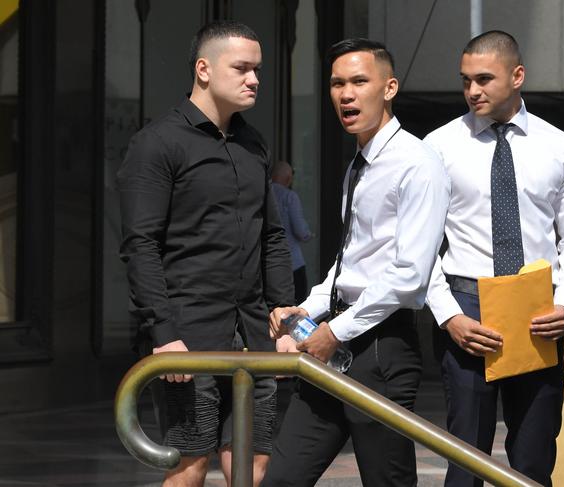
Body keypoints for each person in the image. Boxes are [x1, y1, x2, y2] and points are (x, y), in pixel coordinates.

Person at [262, 38, 450, 487]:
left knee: (387, 482)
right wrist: (307, 311)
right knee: (282, 479)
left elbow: (410, 275)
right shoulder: (358, 165)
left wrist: (334, 332)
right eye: (337, 83)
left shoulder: (418, 163)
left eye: (359, 81)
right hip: (334, 337)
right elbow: (350, 263)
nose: (346, 94)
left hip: (381, 347)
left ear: (389, 88)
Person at [118, 21, 294, 487]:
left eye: (257, 69)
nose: (254, 79)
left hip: (253, 333)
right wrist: (164, 333)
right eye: (241, 68)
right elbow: (140, 244)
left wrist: (284, 317)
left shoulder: (254, 144)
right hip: (187, 335)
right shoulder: (157, 144)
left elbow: (272, 236)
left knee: (254, 464)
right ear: (203, 69)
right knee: (189, 464)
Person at [424, 31, 564, 486]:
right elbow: (421, 248)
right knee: (465, 459)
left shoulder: (559, 146)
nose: (472, 91)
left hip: (538, 310)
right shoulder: (438, 147)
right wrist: (448, 316)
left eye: (484, 79)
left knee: (535, 456)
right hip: (468, 307)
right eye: (465, 81)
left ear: (517, 76)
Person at [271, 160, 314, 304]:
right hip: (292, 262)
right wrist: (309, 235)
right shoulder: (289, 196)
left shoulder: (264, 193)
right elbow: (300, 230)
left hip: (268, 262)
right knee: (297, 307)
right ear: (289, 179)